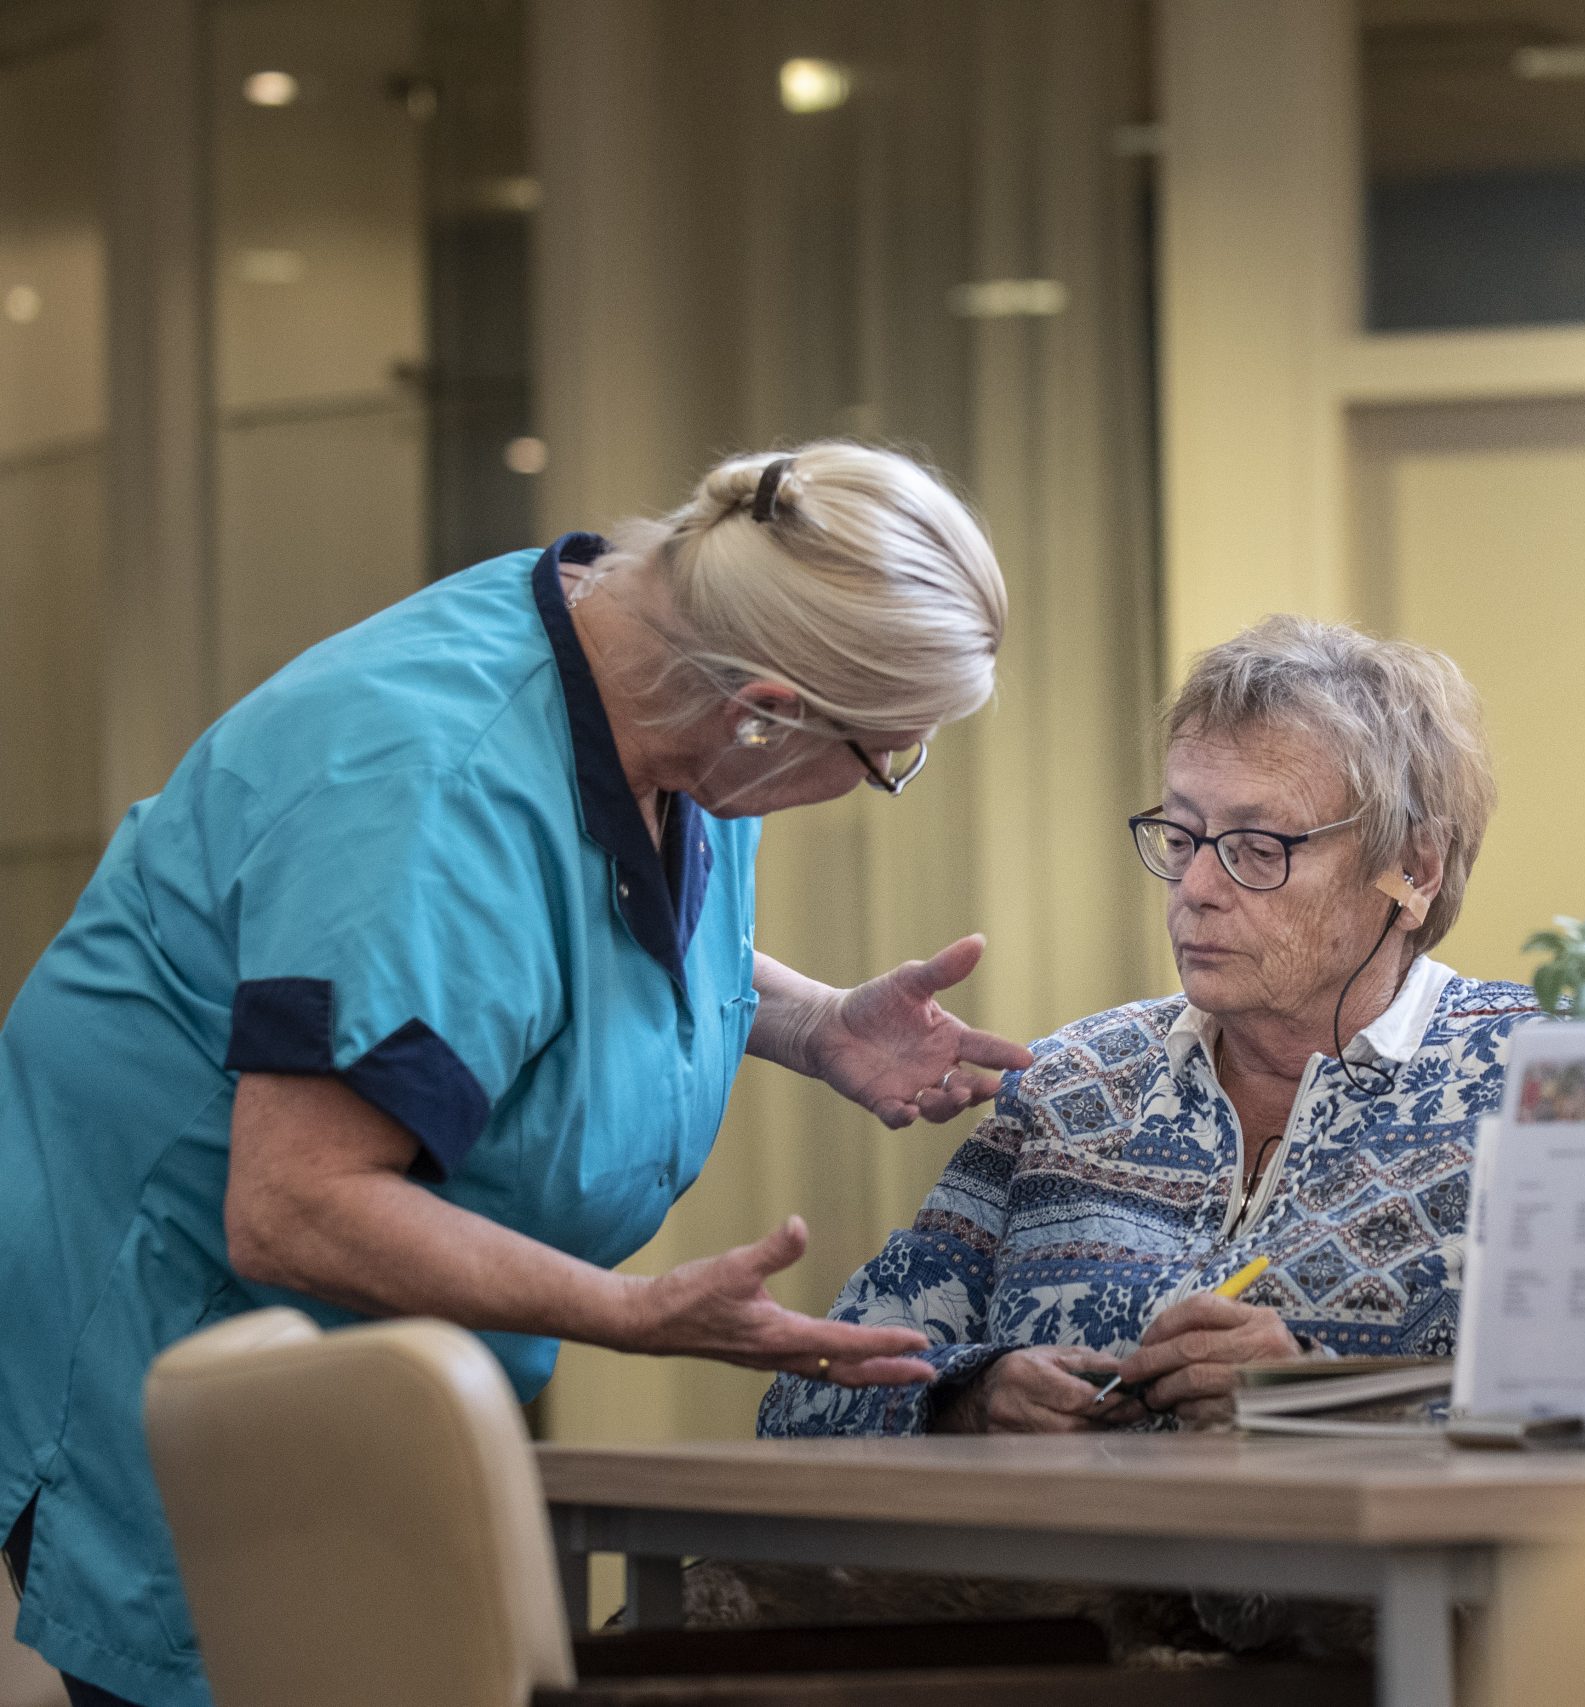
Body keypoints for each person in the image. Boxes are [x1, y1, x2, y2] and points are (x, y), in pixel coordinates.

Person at [0, 441, 1036, 1707]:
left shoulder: (637, 653)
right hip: (174, 1340)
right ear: (765, 709)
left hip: (366, 1379)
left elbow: (544, 949)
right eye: (886, 758)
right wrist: (638, 1317)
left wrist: (814, 1023)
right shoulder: (430, 785)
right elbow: (295, 1203)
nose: (875, 787)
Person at [759, 615, 1535, 1442]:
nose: (1195, 885)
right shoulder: (1069, 1082)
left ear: (1413, 868)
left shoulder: (1540, 1085)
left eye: (1258, 846)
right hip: (1059, 1570)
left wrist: (1308, 1402)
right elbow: (804, 1404)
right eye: (1181, 834)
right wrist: (969, 1400)